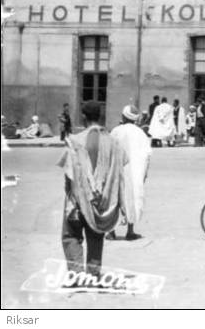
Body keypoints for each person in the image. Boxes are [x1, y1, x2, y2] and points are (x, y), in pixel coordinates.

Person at [58, 101, 126, 277]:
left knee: (71, 236)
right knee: (96, 236)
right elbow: (119, 171)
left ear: (83, 116)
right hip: (102, 201)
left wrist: (71, 199)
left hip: (78, 198)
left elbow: (69, 174)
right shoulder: (114, 142)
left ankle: (76, 275)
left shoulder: (75, 140)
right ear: (100, 116)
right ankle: (93, 275)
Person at [108, 105, 151, 240]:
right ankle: (130, 231)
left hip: (117, 170)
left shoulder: (116, 131)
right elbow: (147, 155)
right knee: (133, 197)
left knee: (114, 198)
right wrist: (145, 172)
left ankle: (111, 231)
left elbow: (109, 150)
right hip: (135, 171)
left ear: (123, 116)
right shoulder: (140, 133)